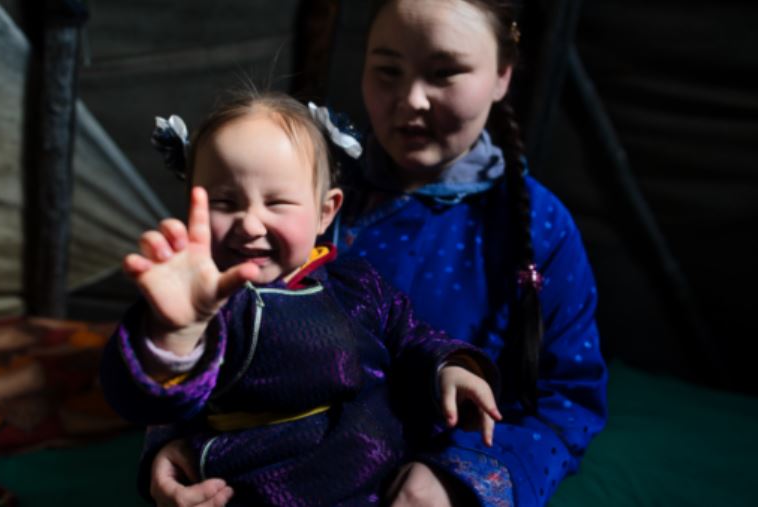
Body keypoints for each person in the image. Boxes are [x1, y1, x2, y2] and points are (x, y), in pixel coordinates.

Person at [145, 0, 608, 505]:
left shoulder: (537, 228)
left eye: (445, 72)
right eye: (388, 70)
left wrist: (458, 481)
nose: (410, 100)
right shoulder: (294, 195)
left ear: (502, 75)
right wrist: (172, 444)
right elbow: (209, 340)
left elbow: (569, 403)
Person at [100, 90, 504, 506]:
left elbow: (411, 336)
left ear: (326, 211)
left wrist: (449, 367)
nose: (250, 223)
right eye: (224, 202)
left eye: (277, 202)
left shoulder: (358, 283)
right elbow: (144, 398)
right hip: (255, 488)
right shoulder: (206, 306)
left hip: (379, 479)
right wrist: (176, 335)